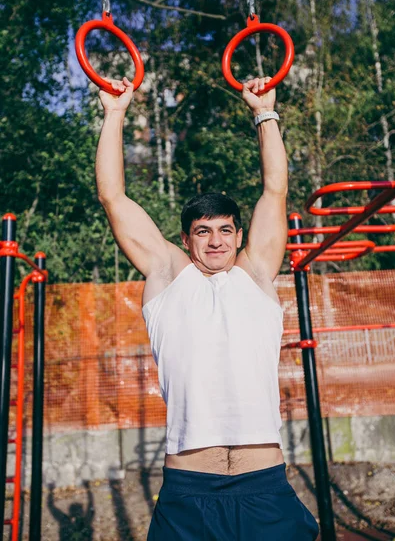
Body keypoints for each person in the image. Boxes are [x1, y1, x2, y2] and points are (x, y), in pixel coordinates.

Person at [96, 75, 319, 541]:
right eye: (203, 231)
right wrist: (115, 114)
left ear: (239, 236)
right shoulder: (165, 277)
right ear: (186, 239)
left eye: (225, 230)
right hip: (189, 489)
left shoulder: (255, 275)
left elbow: (275, 191)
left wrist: (265, 112)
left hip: (264, 484)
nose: (215, 240)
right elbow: (113, 199)